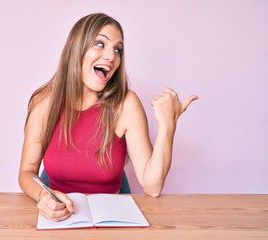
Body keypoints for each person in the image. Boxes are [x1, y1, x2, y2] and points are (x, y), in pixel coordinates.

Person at [19, 13, 198, 221]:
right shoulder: (44, 103)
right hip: (58, 220)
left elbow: (153, 186)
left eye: (117, 49)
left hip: (110, 219)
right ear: (76, 49)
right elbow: (26, 172)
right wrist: (44, 197)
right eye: (100, 44)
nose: (112, 56)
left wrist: (168, 126)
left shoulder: (126, 104)